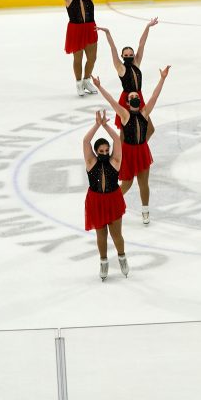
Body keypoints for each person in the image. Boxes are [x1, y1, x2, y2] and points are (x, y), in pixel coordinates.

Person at [92, 66, 171, 225]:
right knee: (126, 183)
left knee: (143, 183)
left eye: (136, 95)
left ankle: (145, 211)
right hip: (128, 152)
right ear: (128, 101)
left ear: (139, 99)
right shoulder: (124, 114)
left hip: (142, 150)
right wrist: (99, 86)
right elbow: (112, 101)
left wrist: (162, 79)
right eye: (132, 96)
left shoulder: (145, 112)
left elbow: (155, 96)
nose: (135, 96)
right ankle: (110, 206)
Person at [82, 110, 129, 281]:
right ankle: (103, 262)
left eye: (106, 150)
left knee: (116, 234)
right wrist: (96, 125)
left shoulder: (115, 161)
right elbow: (86, 140)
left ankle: (122, 257)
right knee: (101, 235)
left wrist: (106, 125)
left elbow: (117, 140)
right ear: (95, 151)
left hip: (113, 199)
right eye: (101, 150)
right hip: (95, 200)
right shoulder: (90, 162)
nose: (104, 152)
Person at [97, 17, 158, 129]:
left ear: (134, 55)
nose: (129, 57)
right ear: (122, 56)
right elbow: (113, 48)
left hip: (138, 96)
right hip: (126, 99)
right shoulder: (120, 67)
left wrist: (148, 27)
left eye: (131, 55)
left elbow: (141, 44)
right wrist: (108, 33)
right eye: (126, 55)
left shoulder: (136, 63)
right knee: (126, 127)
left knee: (148, 128)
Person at [53, 0, 100, 97]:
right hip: (75, 30)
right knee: (78, 58)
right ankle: (79, 84)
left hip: (90, 27)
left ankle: (87, 80)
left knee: (92, 58)